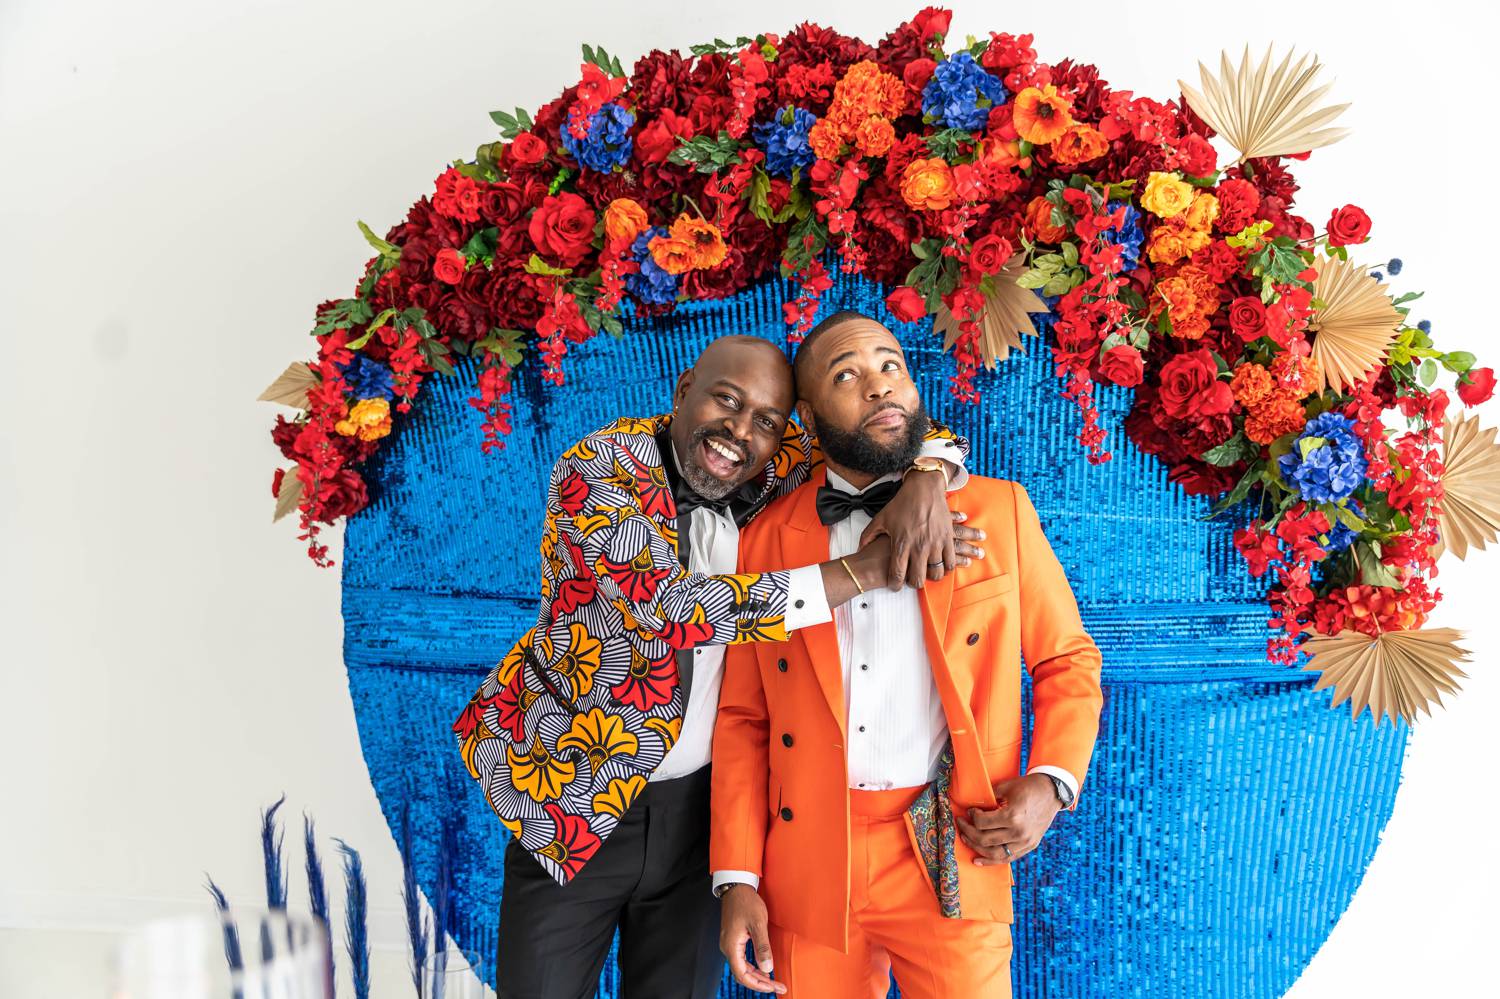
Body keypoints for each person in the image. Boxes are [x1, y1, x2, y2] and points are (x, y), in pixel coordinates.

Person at [452, 333, 983, 999]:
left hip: (703, 815)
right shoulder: (599, 466)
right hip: (575, 793)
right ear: (684, 392)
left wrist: (927, 476)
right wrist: (858, 571)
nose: (740, 431)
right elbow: (666, 609)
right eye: (727, 402)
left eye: (766, 420)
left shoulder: (777, 457)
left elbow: (885, 428)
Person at [711, 312, 1104, 998]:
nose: (879, 386)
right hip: (808, 855)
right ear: (808, 417)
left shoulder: (1000, 511)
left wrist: (1052, 782)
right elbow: (744, 719)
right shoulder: (767, 538)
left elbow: (1067, 659)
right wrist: (737, 875)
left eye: (890, 364)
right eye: (847, 375)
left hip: (954, 841)